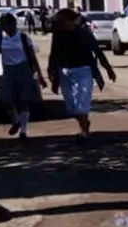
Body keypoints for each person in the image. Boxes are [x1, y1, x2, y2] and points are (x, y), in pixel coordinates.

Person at [46, 8, 117, 140]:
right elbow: (53, 53)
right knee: (71, 107)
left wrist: (108, 69)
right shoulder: (58, 35)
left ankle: (84, 130)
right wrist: (50, 70)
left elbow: (97, 51)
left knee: (82, 103)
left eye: (63, 22)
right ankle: (84, 123)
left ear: (72, 21)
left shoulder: (84, 33)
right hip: (64, 72)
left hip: (83, 71)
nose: (61, 25)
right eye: (59, 22)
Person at [0, 13, 45, 140]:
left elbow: (33, 57)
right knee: (6, 99)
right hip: (8, 70)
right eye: (2, 25)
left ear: (13, 24)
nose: (4, 28)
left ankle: (23, 130)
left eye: (6, 24)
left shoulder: (22, 37)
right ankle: (16, 120)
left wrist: (40, 75)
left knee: (24, 100)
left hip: (23, 69)